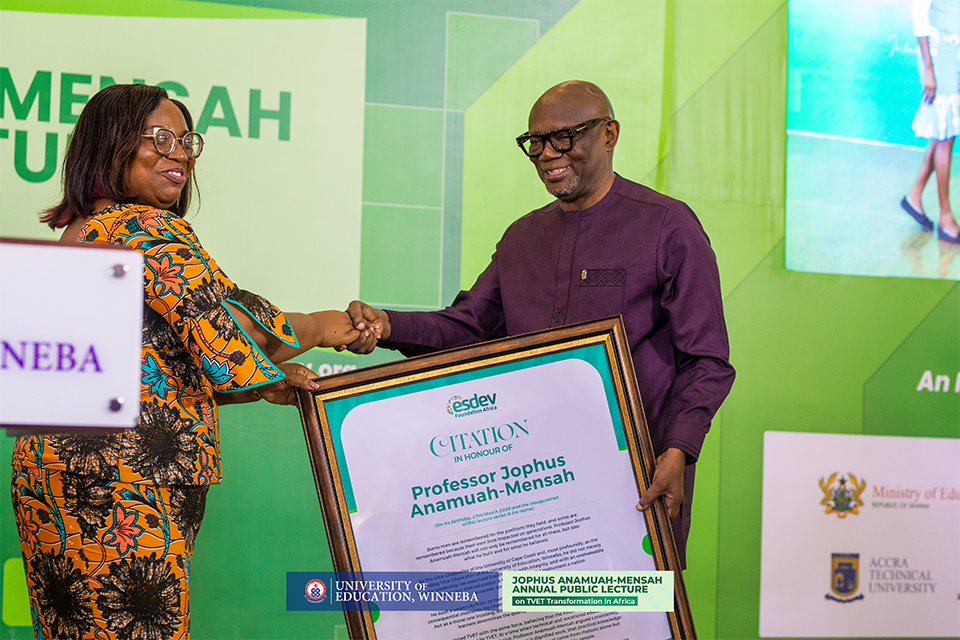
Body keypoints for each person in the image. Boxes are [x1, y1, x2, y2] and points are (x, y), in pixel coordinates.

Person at [10, 84, 363, 639]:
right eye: (159, 138)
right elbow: (238, 336)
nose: (179, 153)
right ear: (111, 145)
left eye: (185, 141)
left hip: (51, 482)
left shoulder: (78, 233)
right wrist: (323, 326)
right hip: (125, 491)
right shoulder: (149, 229)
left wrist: (259, 383)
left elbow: (149, 368)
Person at [344, 80, 735, 568]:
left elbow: (707, 360)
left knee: (631, 605)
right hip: (529, 488)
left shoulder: (668, 226)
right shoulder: (522, 238)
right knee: (535, 606)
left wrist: (678, 450)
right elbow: (469, 327)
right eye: (535, 142)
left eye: (565, 137)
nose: (548, 154)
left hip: (634, 481)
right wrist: (386, 326)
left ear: (609, 134)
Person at [901, 0, 960, 243]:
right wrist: (928, 69)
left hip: (953, 54)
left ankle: (914, 196)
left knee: (943, 132)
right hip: (937, 58)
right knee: (944, 137)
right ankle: (946, 219)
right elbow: (919, 15)